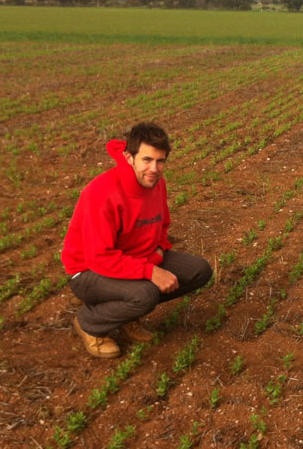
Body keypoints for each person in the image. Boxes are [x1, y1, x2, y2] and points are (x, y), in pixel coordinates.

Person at [61, 122, 213, 358]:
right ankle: (89, 323)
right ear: (129, 157)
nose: (154, 168)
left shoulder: (156, 183)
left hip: (134, 258)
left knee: (199, 270)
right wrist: (150, 271)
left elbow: (162, 225)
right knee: (145, 294)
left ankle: (126, 315)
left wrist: (160, 250)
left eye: (160, 161)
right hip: (89, 271)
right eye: (146, 160)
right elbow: (99, 257)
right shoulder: (102, 192)